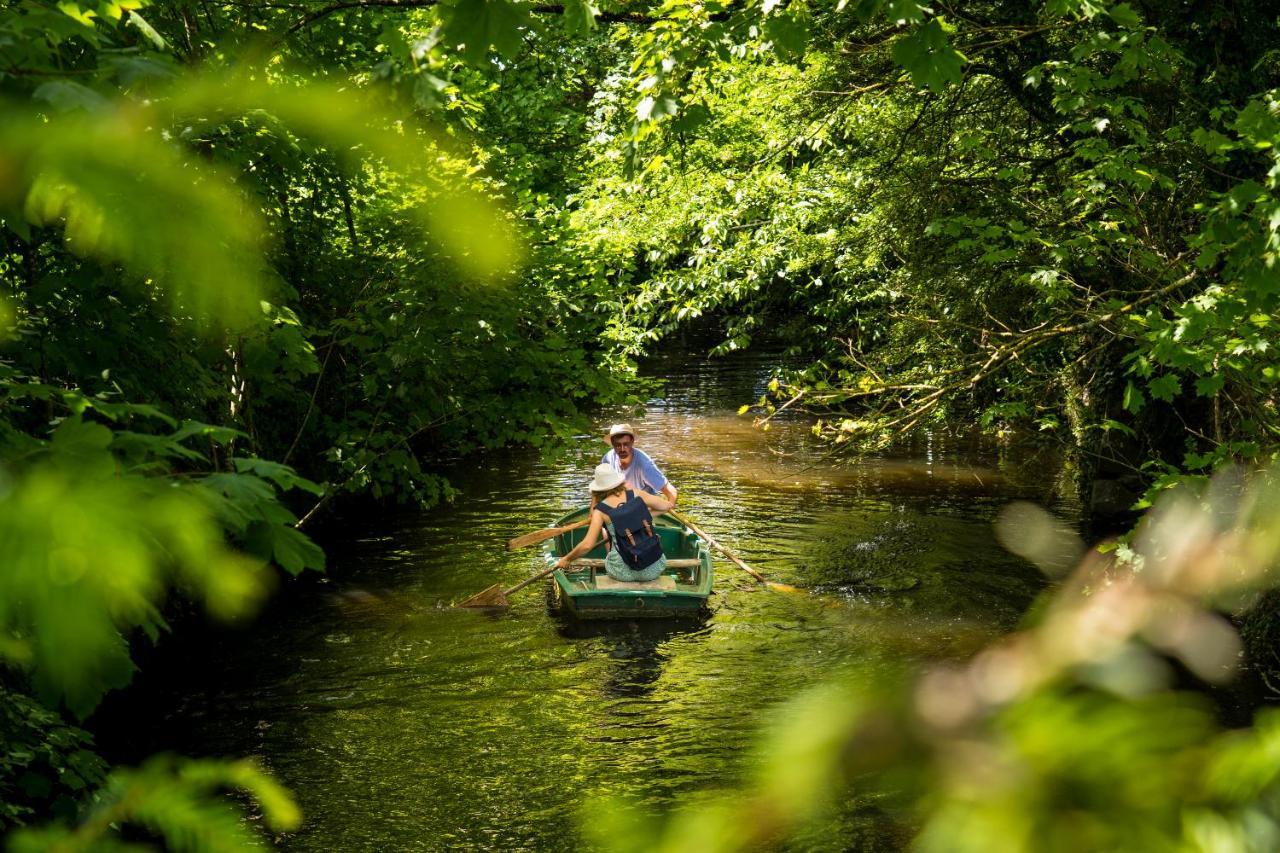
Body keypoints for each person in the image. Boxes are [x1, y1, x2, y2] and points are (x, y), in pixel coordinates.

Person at [555, 464, 675, 582]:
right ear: (618, 482)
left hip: (621, 572)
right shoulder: (637, 494)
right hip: (654, 568)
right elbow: (667, 506)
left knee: (610, 556)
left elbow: (587, 545)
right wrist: (641, 515)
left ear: (597, 489)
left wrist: (567, 559)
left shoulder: (600, 511)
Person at [600, 423, 678, 507]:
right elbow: (600, 489)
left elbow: (671, 491)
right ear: (612, 444)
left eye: (626, 444)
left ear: (632, 442)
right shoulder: (607, 459)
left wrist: (669, 505)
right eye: (618, 445)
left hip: (645, 504)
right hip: (621, 500)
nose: (622, 449)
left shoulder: (644, 464)